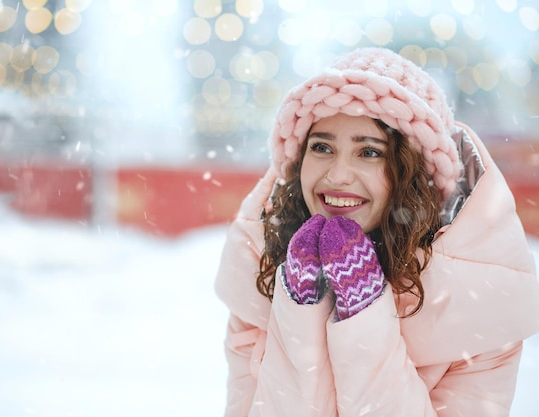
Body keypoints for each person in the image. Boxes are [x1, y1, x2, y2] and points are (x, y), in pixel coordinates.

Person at [214, 47, 539, 417]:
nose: (337, 176)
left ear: (414, 170)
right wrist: (301, 309)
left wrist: (363, 309)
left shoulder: (480, 296)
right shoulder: (265, 266)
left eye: (369, 152)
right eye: (322, 147)